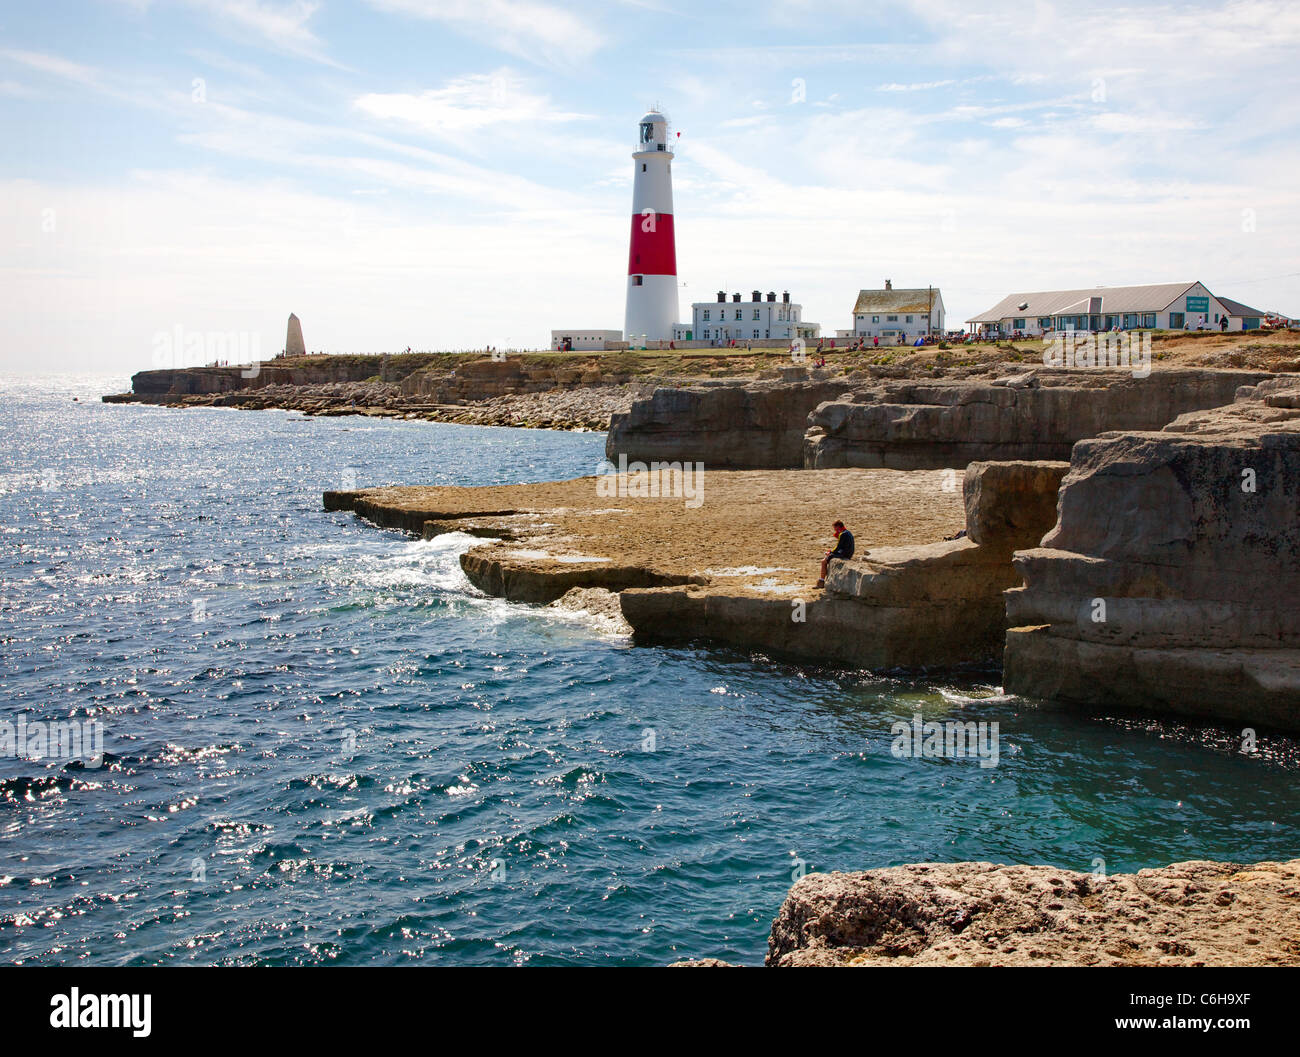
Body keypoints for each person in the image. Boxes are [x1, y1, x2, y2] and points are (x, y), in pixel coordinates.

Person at [816, 520, 854, 588]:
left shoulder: (843, 534)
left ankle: (821, 581)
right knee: (828, 557)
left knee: (823, 561)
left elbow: (838, 547)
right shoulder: (847, 532)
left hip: (844, 554)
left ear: (838, 527)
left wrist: (830, 553)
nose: (834, 530)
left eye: (835, 528)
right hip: (847, 553)